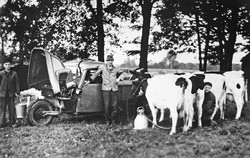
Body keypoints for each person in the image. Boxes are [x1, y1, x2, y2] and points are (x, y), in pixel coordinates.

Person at [85, 55, 126, 125]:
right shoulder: (103, 67)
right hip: (106, 89)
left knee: (114, 106)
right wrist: (90, 80)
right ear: (106, 61)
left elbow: (123, 73)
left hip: (114, 89)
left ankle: (114, 121)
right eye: (108, 61)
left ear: (113, 61)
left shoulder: (115, 68)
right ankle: (107, 121)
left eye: (111, 60)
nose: (110, 62)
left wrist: (119, 79)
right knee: (106, 106)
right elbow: (95, 74)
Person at [0, 58, 20, 128]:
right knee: (3, 108)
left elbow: (17, 83)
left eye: (9, 64)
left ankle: (12, 122)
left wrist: (17, 92)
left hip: (11, 94)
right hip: (3, 94)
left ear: (11, 65)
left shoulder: (14, 74)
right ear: (3, 65)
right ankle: (2, 123)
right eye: (6, 64)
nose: (8, 66)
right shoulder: (1, 73)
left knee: (11, 108)